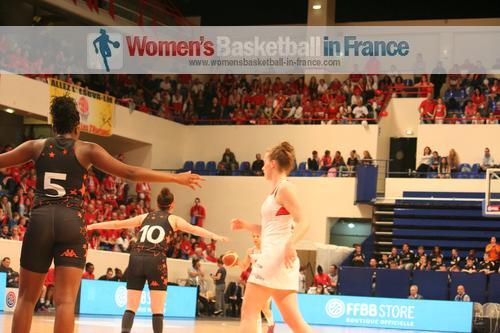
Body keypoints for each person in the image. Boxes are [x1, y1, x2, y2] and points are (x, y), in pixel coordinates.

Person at [0, 96, 204, 333]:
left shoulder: (35, 146)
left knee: (26, 299)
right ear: (78, 126)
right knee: (65, 301)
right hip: (71, 223)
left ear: (53, 126)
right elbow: (130, 172)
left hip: (40, 221)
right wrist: (174, 177)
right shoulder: (87, 149)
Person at [87, 188, 227, 333]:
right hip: (155, 259)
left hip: (135, 258)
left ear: (157, 203)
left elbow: (118, 224)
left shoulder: (145, 216)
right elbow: (194, 229)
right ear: (172, 204)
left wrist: (92, 226)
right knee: (157, 309)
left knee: (130, 307)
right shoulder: (173, 219)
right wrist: (215, 236)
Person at [230, 142, 313, 333]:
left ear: (273, 163)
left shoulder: (285, 188)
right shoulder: (276, 191)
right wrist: (245, 225)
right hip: (280, 259)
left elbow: (304, 221)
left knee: (249, 311)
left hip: (275, 256)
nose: (262, 166)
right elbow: (270, 229)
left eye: (264, 162)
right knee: (294, 321)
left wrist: (291, 244)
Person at [237, 233, 275, 332]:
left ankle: (271, 324)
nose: (255, 238)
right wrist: (236, 261)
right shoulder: (250, 251)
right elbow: (244, 267)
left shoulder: (268, 249)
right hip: (254, 281)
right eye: (253, 236)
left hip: (266, 281)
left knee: (265, 308)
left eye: (258, 236)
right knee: (254, 309)